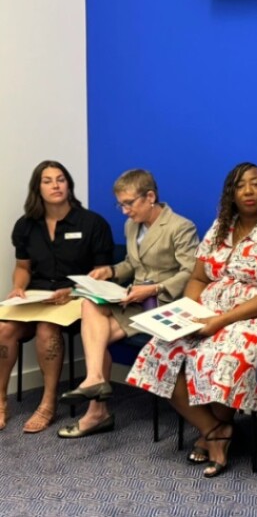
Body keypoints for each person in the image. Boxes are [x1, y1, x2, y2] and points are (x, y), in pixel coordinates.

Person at [126, 162, 257, 478]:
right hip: (209, 314)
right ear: (230, 193)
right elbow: (197, 277)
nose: (248, 191)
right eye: (240, 185)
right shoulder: (220, 227)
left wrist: (222, 321)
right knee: (160, 351)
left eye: (256, 183)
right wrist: (187, 314)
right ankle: (215, 430)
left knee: (219, 355)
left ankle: (216, 434)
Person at [57, 169, 199, 438]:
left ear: (150, 197)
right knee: (89, 304)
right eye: (120, 204)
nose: (124, 211)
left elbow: (190, 272)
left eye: (128, 203)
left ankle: (95, 408)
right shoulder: (132, 226)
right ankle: (96, 384)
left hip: (161, 303)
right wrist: (109, 272)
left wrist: (154, 288)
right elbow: (132, 265)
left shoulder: (181, 226)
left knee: (94, 339)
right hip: (134, 300)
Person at [0, 160, 114, 433]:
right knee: (3, 329)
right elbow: (23, 267)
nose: (55, 185)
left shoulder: (92, 223)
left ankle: (48, 402)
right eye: (48, 180)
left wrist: (73, 291)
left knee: (47, 329)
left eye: (60, 179)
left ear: (69, 185)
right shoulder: (26, 225)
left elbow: (103, 273)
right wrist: (18, 287)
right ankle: (0, 400)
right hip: (37, 295)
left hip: (77, 297)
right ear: (37, 188)